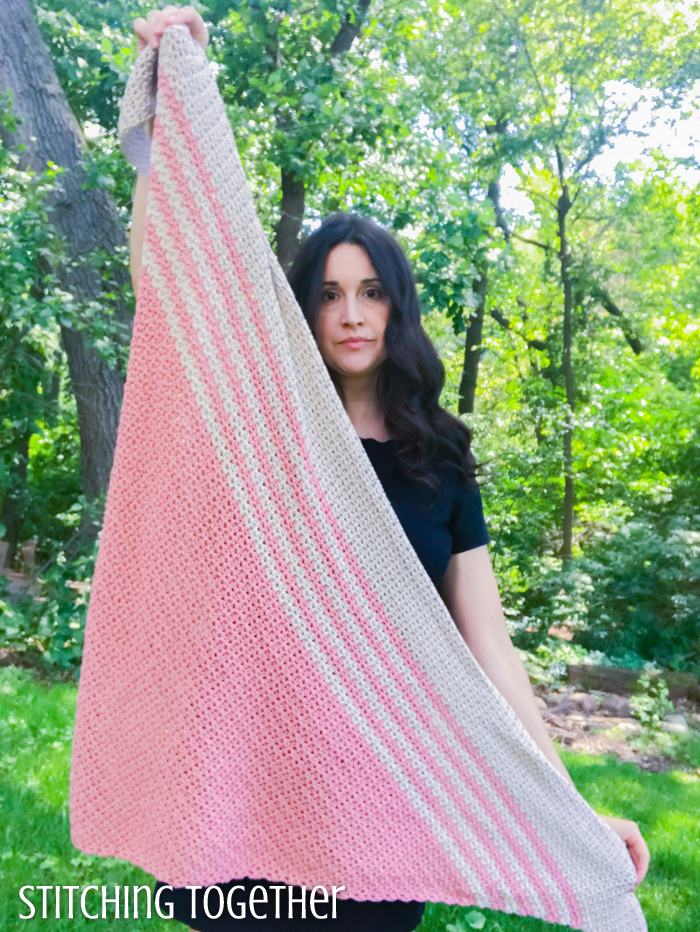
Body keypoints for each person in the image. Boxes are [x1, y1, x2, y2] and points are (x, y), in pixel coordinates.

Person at [129, 8, 650, 931]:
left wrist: (571, 808)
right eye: (327, 294)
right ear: (304, 312)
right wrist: (181, 100)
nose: (350, 312)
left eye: (370, 290)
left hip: (382, 803)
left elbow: (487, 649)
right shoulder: (267, 442)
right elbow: (184, 289)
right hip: (252, 797)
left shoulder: (440, 457)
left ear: (397, 306)